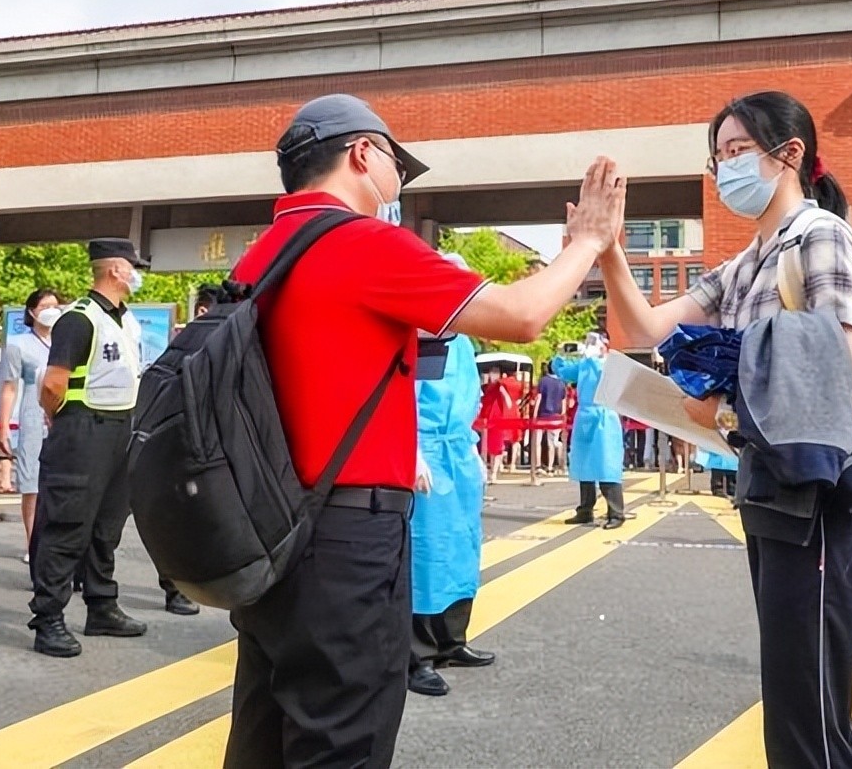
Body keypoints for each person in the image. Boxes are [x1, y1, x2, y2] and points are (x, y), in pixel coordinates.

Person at [221, 93, 624, 768]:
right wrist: (587, 242)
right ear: (361, 155)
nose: (396, 187)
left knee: (266, 730)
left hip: (273, 526)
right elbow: (522, 315)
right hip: (347, 533)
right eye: (395, 168)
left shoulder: (263, 254)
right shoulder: (363, 242)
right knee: (340, 738)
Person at [597, 91, 852, 767]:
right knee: (799, 713)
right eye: (719, 158)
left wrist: (723, 408)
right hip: (778, 497)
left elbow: (846, 386)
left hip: (829, 504)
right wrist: (608, 248)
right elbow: (643, 329)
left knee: (809, 726)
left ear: (789, 154)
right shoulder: (749, 259)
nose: (725, 168)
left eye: (737, 152)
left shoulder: (818, 236)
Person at [27, 239, 151, 658]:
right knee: (67, 525)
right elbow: (52, 383)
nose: (138, 274)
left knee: (107, 525)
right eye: (134, 267)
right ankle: (48, 619)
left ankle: (101, 605)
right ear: (116, 270)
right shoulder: (78, 320)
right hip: (82, 429)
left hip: (119, 429)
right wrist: (55, 416)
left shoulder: (124, 321)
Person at [407, 262, 494, 698]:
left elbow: (471, 396)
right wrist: (412, 452)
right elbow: (402, 397)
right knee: (425, 553)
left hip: (457, 452)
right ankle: (415, 654)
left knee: (462, 547)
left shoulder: (462, 341)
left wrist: (474, 446)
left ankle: (451, 640)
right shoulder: (420, 332)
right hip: (427, 451)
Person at [0, 288, 59, 562]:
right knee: (31, 481)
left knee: (57, 481)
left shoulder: (64, 340)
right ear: (32, 311)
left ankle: (55, 543)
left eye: (56, 305)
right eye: (45, 305)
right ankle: (33, 543)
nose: (51, 310)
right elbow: (9, 387)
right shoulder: (18, 344)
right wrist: (3, 425)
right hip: (33, 412)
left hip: (61, 409)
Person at [553, 332, 626, 529]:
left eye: (594, 341)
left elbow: (606, 379)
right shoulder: (584, 364)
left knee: (606, 465)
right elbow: (563, 372)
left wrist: (593, 359)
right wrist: (560, 354)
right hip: (584, 415)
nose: (589, 345)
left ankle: (616, 513)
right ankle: (585, 510)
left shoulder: (611, 363)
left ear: (605, 345)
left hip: (604, 417)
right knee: (583, 464)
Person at [533, 361, 567, 475]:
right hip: (556, 417)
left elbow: (539, 398)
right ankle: (550, 467)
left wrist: (534, 414)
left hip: (542, 415)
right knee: (551, 443)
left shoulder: (543, 381)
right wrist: (562, 415)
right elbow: (564, 402)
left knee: (537, 441)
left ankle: (537, 466)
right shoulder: (562, 383)